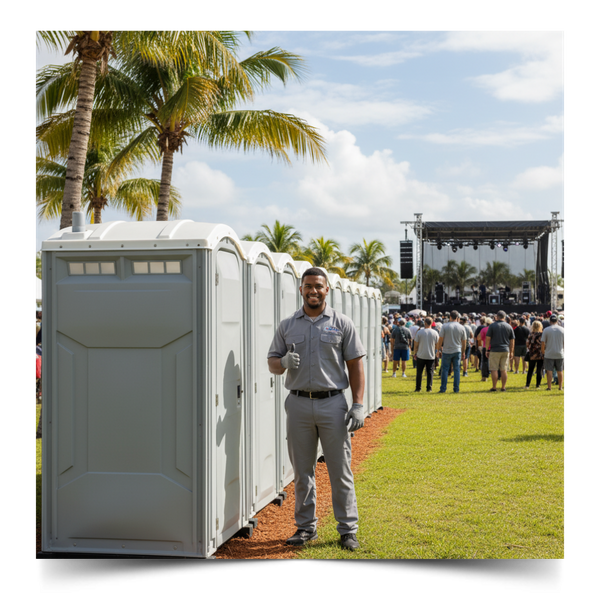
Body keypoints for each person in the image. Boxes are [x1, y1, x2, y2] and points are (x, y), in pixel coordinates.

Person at [267, 267, 366, 551]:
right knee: (302, 471)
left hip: (333, 405)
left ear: (326, 290)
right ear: (301, 289)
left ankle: (347, 529)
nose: (313, 291)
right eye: (308, 286)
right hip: (298, 404)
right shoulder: (287, 326)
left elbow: (356, 364)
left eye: (318, 286)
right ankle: (305, 527)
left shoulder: (342, 323)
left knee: (340, 470)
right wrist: (282, 362)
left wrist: (358, 404)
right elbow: (272, 362)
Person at [436, 310, 467, 393]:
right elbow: (464, 342)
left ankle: (443, 388)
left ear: (450, 317)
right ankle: (456, 389)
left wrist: (438, 350)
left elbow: (440, 339)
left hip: (446, 351)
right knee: (456, 370)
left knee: (445, 370)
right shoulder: (461, 327)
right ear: (457, 318)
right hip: (457, 350)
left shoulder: (445, 326)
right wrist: (463, 352)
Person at [485, 311, 515, 392]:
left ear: (496, 317)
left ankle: (494, 387)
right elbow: (512, 340)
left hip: (494, 349)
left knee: (494, 369)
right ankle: (503, 387)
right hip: (505, 349)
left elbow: (488, 339)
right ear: (504, 317)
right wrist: (511, 351)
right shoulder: (509, 326)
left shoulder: (492, 326)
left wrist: (487, 349)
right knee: (504, 369)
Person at [541, 314, 567, 391]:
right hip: (560, 353)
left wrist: (543, 352)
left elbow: (543, 343)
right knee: (560, 370)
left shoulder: (546, 330)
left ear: (550, 321)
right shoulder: (563, 330)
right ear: (557, 321)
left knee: (549, 370)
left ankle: (549, 387)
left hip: (549, 353)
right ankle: (560, 387)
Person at [413, 317, 439, 392]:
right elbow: (437, 345)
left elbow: (416, 344)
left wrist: (415, 353)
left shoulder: (420, 332)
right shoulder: (435, 332)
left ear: (425, 323)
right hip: (430, 355)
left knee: (419, 372)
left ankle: (418, 388)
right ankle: (429, 388)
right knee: (430, 372)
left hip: (421, 354)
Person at [525, 320, 544, 389]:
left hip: (532, 353)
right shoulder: (542, 334)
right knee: (539, 370)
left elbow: (527, 343)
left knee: (530, 370)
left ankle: (527, 385)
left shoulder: (531, 334)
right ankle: (538, 385)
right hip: (540, 354)